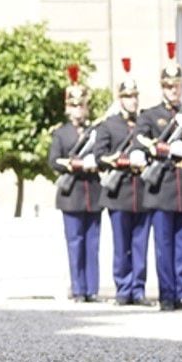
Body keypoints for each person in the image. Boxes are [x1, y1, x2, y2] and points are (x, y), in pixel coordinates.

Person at [132, 43, 182, 311]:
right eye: (168, 86)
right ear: (162, 87)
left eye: (176, 86)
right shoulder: (151, 116)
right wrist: (166, 148)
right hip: (161, 189)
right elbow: (140, 144)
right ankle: (167, 294)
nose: (173, 91)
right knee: (164, 247)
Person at [94, 58, 152, 306]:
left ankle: (138, 289)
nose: (133, 101)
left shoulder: (145, 122)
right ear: (121, 99)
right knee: (122, 246)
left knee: (140, 245)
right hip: (119, 193)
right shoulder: (109, 125)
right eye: (128, 96)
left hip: (143, 191)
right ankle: (123, 288)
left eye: (135, 96)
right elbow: (99, 157)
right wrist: (118, 159)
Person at [48, 65, 103, 303]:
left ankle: (92, 288)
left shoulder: (95, 131)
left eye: (81, 105)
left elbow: (103, 155)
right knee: (75, 243)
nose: (78, 110)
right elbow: (54, 160)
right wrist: (75, 164)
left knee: (92, 243)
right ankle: (78, 288)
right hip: (72, 194)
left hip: (92, 192)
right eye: (73, 105)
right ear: (67, 107)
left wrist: (95, 163)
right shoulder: (61, 134)